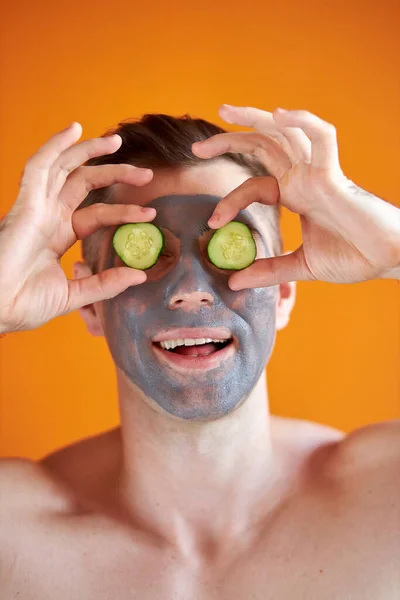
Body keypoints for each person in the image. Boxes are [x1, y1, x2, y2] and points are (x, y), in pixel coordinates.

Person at [0, 104, 399, 599]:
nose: (191, 290)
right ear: (90, 305)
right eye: (147, 253)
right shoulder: (12, 534)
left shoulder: (387, 495)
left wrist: (394, 250)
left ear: (284, 294)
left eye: (230, 248)